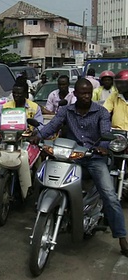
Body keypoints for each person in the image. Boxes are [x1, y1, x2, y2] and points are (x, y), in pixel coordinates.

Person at [30, 78, 128, 257]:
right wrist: (38, 136)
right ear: (75, 94)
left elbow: (106, 133)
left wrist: (103, 147)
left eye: (89, 93)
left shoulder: (101, 112)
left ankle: (122, 238)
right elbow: (52, 125)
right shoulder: (66, 110)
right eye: (82, 93)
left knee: (110, 195)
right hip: (71, 156)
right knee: (43, 176)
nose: (86, 96)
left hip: (93, 158)